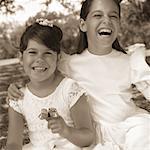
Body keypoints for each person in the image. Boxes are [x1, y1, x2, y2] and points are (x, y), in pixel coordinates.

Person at [7, 0, 150, 150]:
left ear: (119, 24)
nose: (106, 20)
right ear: (83, 25)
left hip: (129, 126)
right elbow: (40, 69)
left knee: (143, 138)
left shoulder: (129, 60)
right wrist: (16, 88)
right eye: (98, 15)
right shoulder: (70, 63)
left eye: (113, 16)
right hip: (91, 133)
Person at [6, 19, 94, 150]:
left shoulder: (70, 90)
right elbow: (14, 143)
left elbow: (88, 137)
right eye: (32, 52)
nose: (40, 59)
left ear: (58, 58)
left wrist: (66, 131)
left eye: (47, 53)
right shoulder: (18, 98)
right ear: (20, 57)